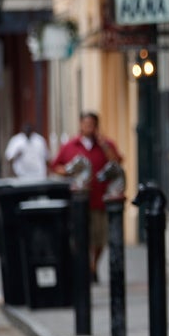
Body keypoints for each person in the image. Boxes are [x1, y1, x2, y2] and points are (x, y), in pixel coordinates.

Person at [51, 112, 123, 281]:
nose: (88, 127)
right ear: (80, 125)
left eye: (92, 124)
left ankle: (93, 265)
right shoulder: (70, 146)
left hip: (100, 199)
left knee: (100, 237)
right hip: (78, 202)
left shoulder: (106, 145)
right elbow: (56, 166)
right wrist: (68, 173)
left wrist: (104, 145)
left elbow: (116, 163)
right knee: (81, 236)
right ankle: (83, 269)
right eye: (86, 124)